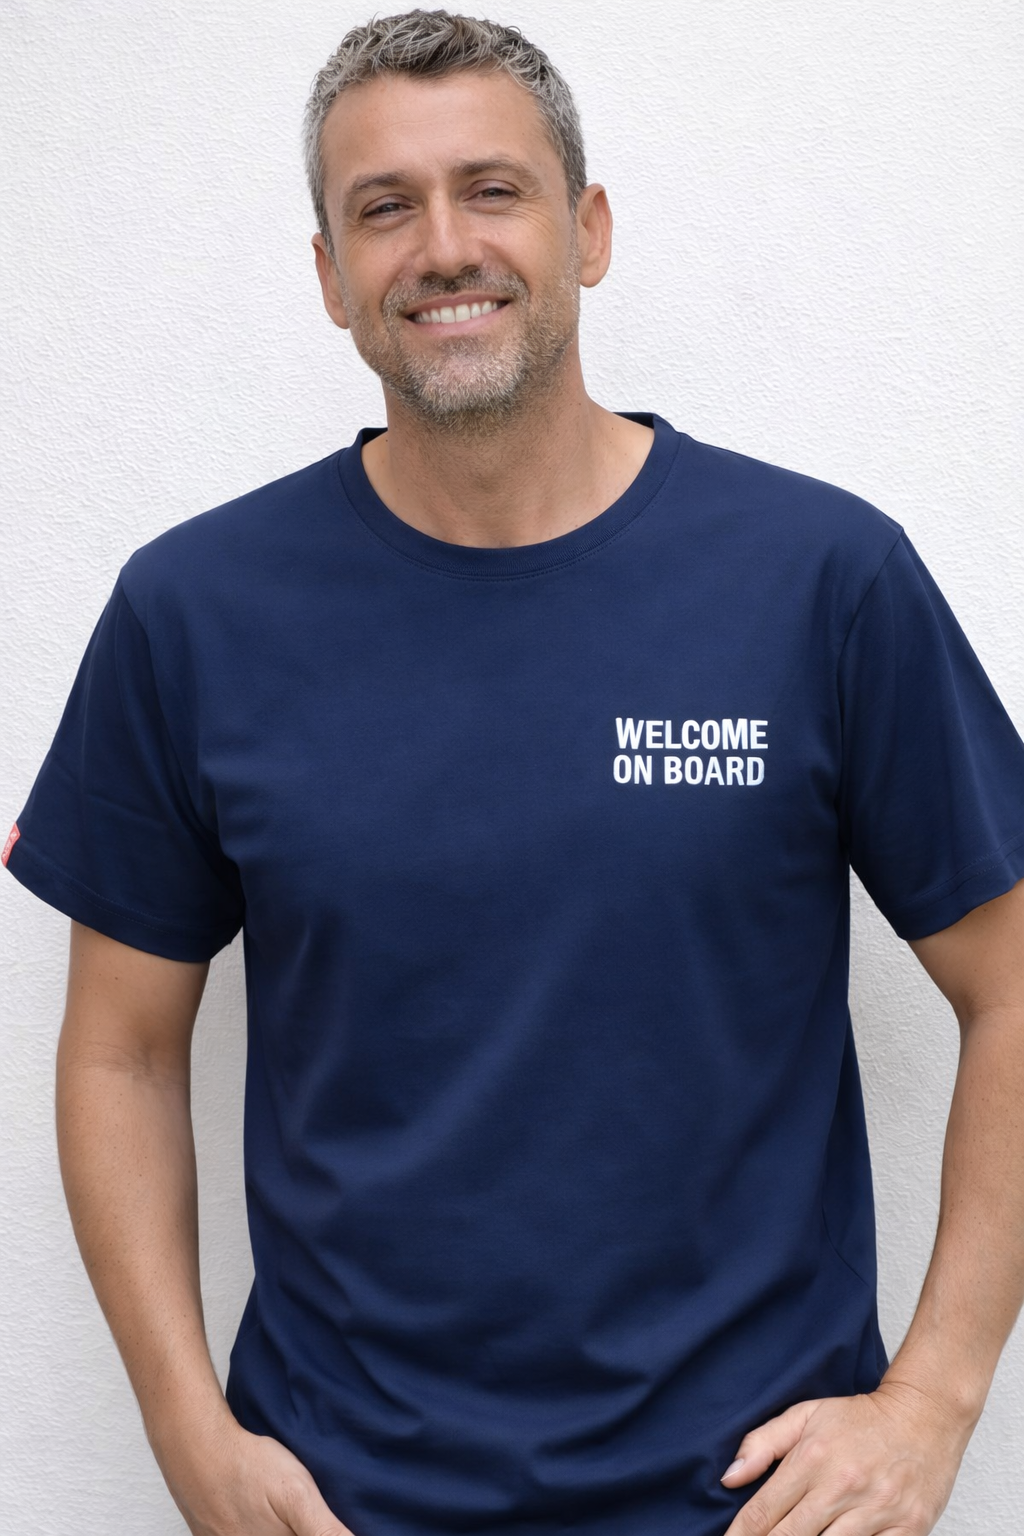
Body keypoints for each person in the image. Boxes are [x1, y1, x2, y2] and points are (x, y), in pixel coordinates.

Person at [5, 9, 1024, 1536]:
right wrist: (185, 1431)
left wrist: (934, 1401)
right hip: (347, 1497)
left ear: (586, 230)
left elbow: (1014, 982)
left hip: (744, 1503)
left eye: (493, 190)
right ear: (330, 275)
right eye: (384, 208)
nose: (443, 247)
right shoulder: (195, 611)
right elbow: (123, 1054)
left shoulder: (820, 579)